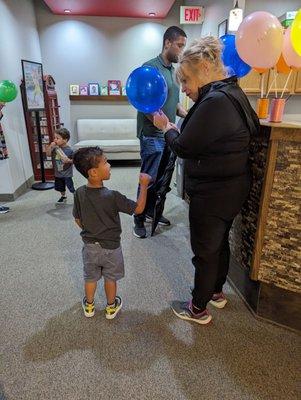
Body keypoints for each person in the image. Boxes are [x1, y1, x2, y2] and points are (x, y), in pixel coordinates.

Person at [154, 37, 259, 325]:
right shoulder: (233, 92)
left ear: (203, 67)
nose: (185, 90)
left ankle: (197, 307)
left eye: (186, 80)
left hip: (213, 192)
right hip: (232, 188)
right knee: (219, 242)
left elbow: (185, 147)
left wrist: (167, 128)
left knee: (204, 249)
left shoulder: (214, 101)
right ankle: (216, 293)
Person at [72, 146, 151, 319]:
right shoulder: (113, 196)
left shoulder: (78, 193)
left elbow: (78, 219)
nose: (109, 165)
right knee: (110, 277)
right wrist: (144, 186)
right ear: (93, 172)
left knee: (90, 277)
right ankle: (110, 307)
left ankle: (90, 306)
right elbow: (138, 209)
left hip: (89, 246)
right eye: (106, 162)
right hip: (112, 247)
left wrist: (91, 231)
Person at [133, 26, 188, 239]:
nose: (181, 51)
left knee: (162, 178)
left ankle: (151, 212)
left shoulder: (173, 72)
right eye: (180, 46)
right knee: (148, 177)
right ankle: (138, 217)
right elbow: (143, 101)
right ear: (167, 43)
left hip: (168, 134)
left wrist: (188, 114)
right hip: (152, 135)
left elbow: (173, 104)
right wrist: (157, 121)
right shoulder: (150, 68)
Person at [47, 128, 75, 205]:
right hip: (58, 173)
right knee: (60, 187)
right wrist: (50, 146)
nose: (55, 140)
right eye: (54, 138)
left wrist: (68, 161)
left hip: (67, 173)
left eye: (57, 138)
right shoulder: (54, 148)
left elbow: (75, 160)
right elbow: (48, 154)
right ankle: (63, 196)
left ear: (65, 140)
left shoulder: (70, 150)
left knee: (70, 186)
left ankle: (75, 195)